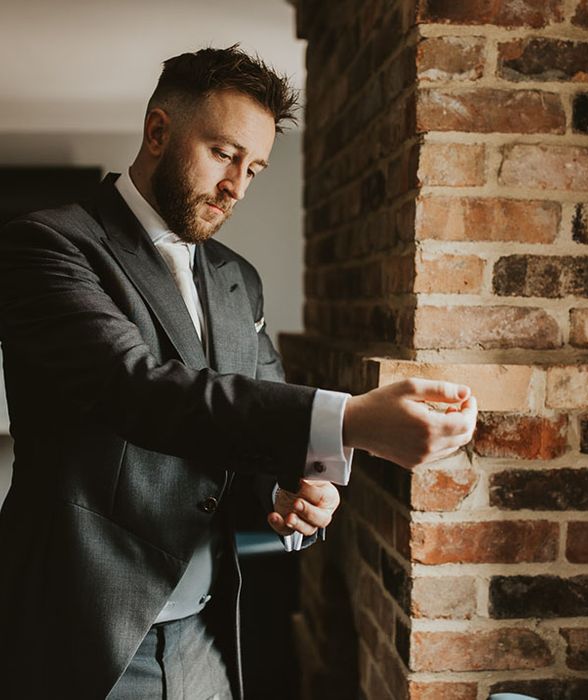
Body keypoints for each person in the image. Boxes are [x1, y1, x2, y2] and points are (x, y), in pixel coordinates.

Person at [0, 46, 477, 698]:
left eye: (254, 168)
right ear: (158, 131)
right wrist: (352, 419)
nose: (236, 188)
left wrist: (294, 488)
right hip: (81, 625)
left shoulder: (236, 279)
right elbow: (135, 388)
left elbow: (261, 404)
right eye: (224, 154)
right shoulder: (47, 243)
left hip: (205, 629)